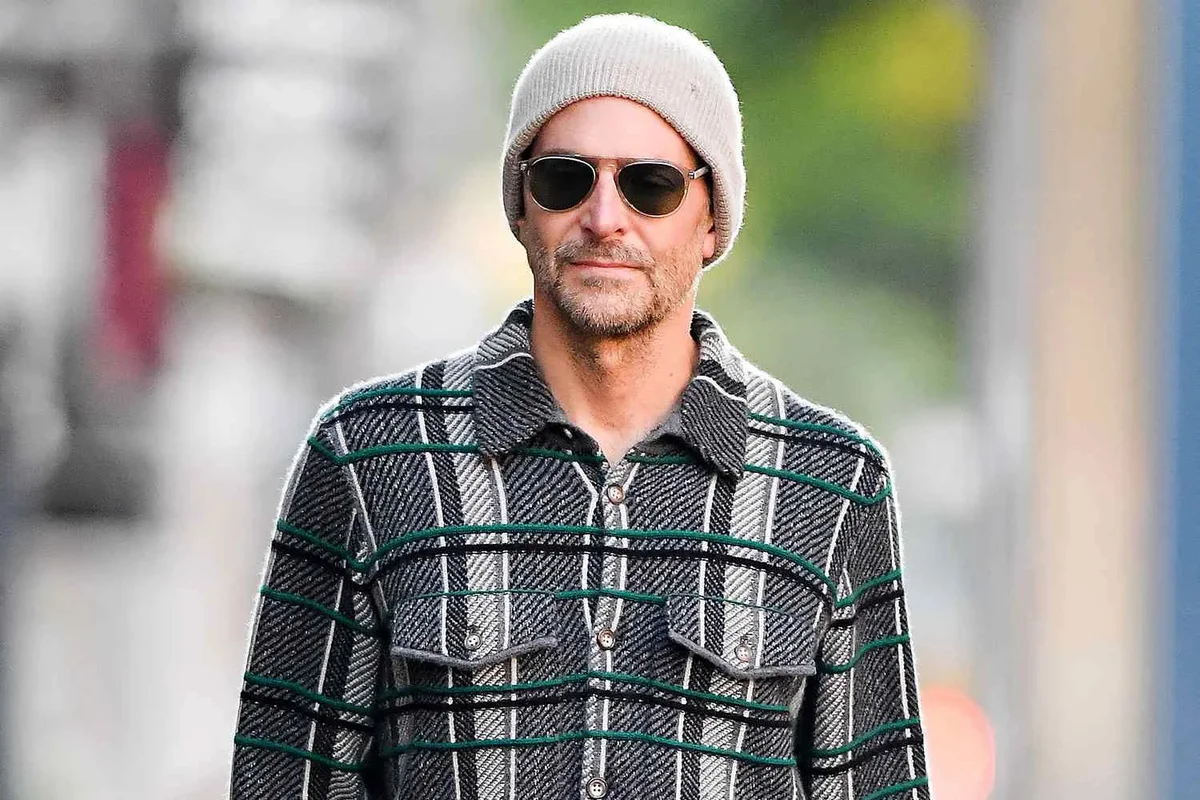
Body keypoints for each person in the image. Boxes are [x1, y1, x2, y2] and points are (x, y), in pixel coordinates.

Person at [230, 13, 930, 800]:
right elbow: (281, 783)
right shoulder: (365, 455)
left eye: (650, 185)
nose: (604, 218)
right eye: (565, 179)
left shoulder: (834, 484)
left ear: (711, 219)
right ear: (521, 208)